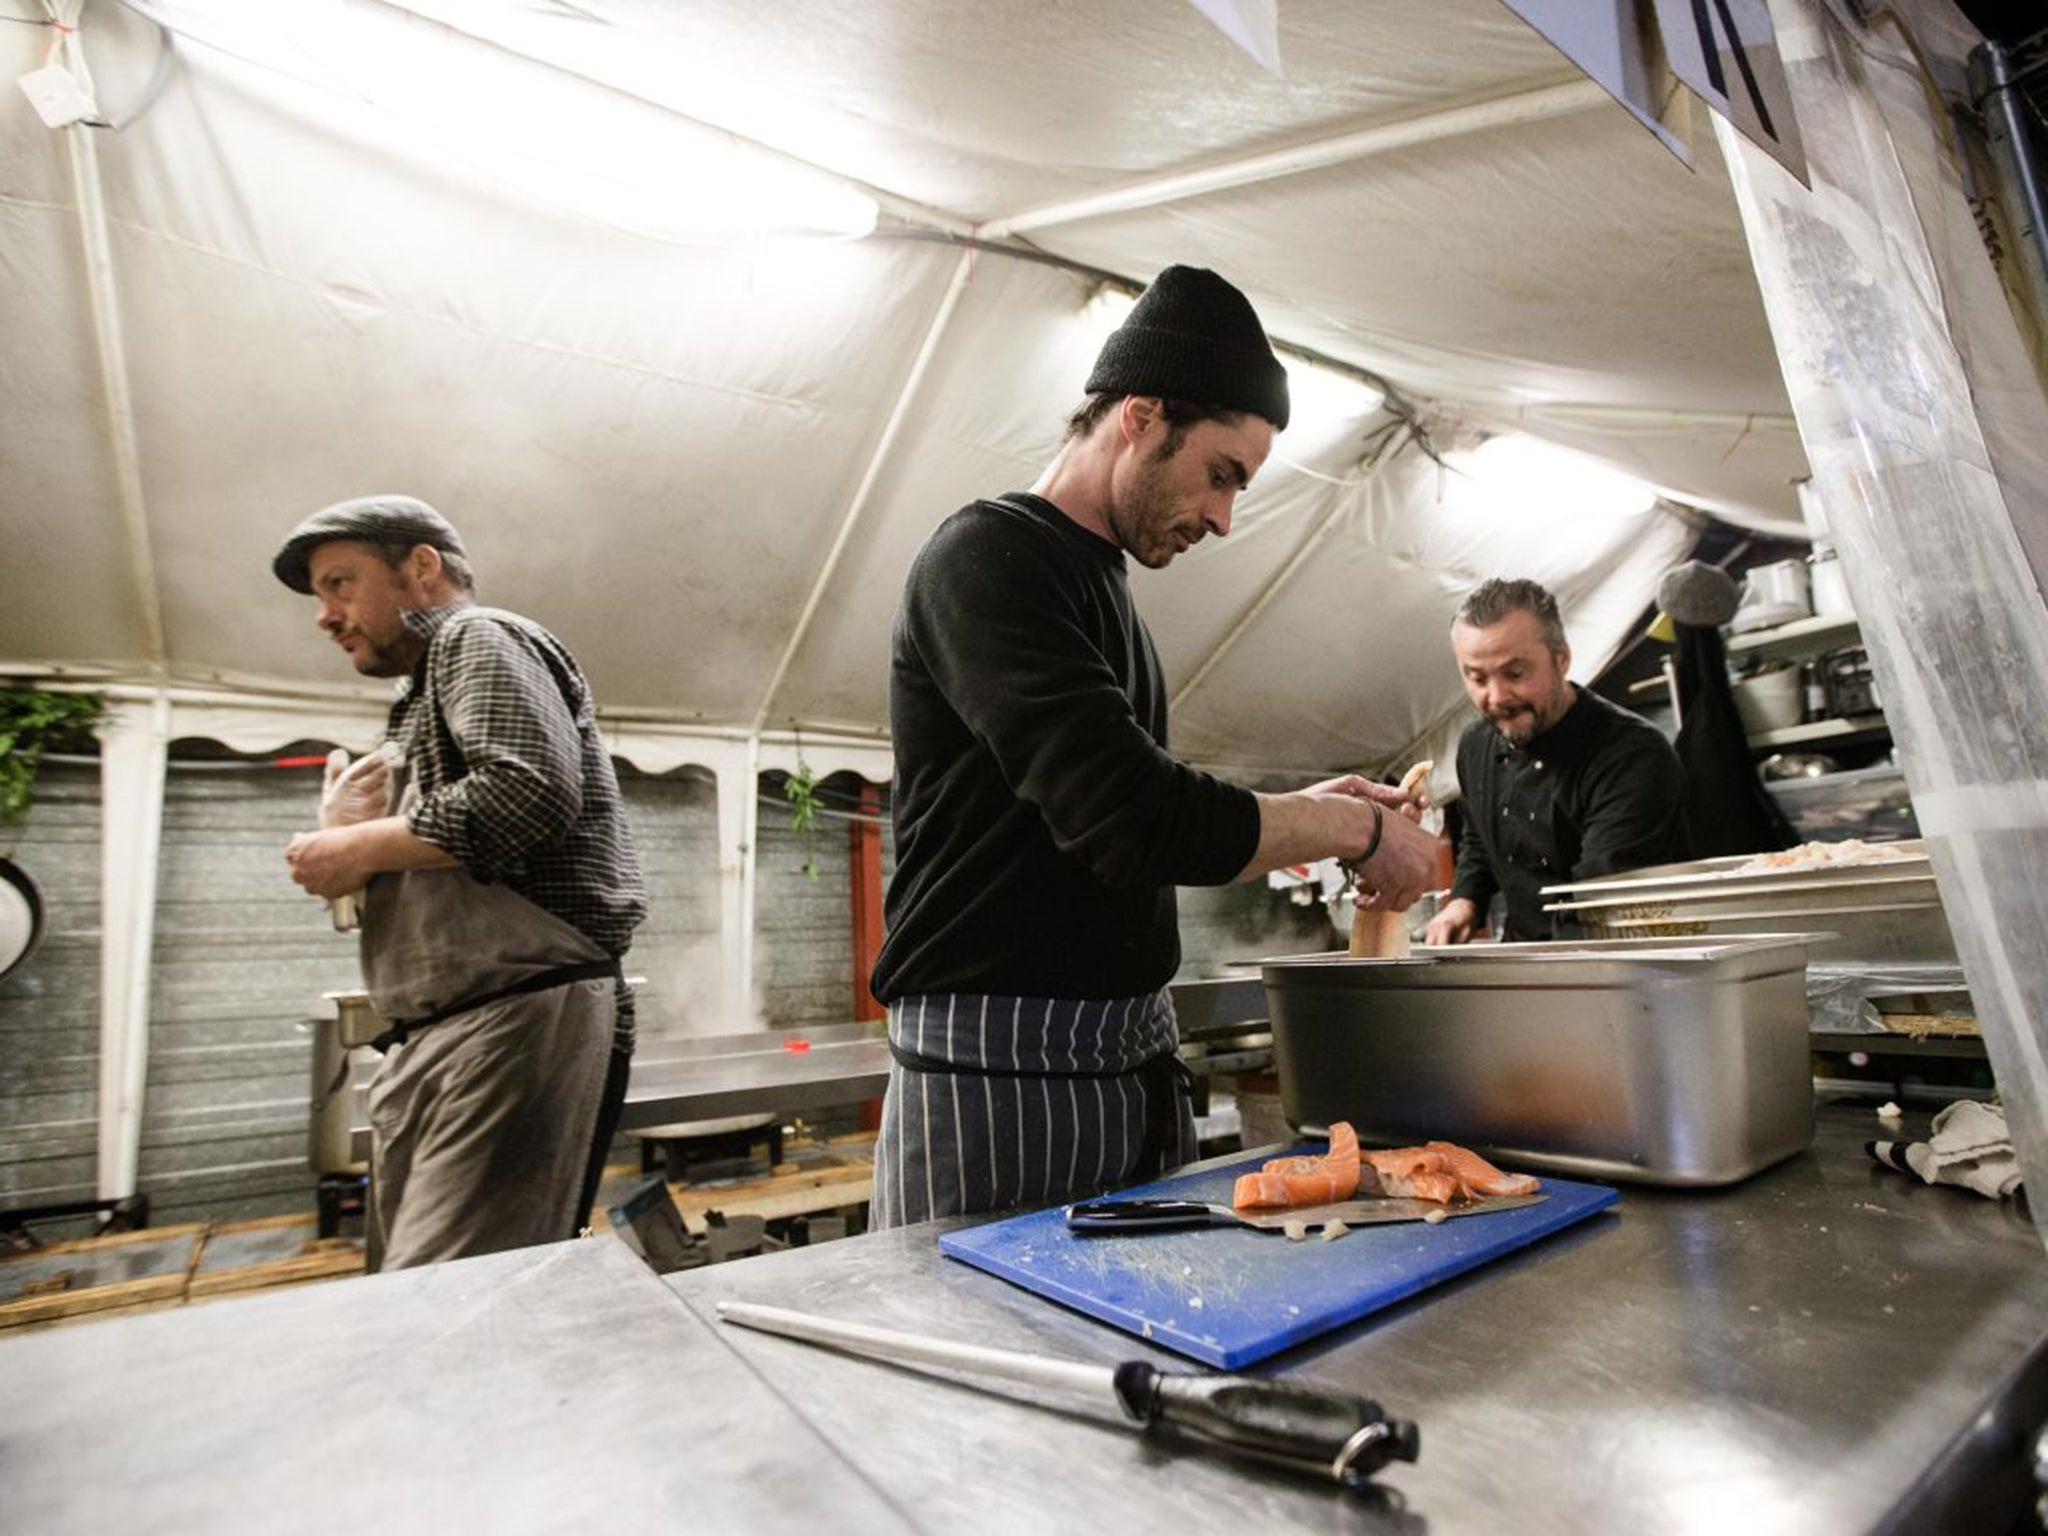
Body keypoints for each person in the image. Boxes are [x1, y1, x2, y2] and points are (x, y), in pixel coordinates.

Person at [868, 265, 1440, 1228]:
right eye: (1221, 474)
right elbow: (1129, 817)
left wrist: (1312, 807)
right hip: (999, 1072)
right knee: (991, 1356)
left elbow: (1136, 799)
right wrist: (1348, 830)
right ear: (1140, 416)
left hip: (1117, 1061)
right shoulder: (987, 563)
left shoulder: (1101, 588)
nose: (1223, 517)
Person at [274, 496, 646, 1269]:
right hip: (444, 1035)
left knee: (454, 1301)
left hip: (510, 1019)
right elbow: (428, 861)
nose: (325, 615)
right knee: (417, 1289)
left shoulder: (478, 637)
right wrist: (350, 841)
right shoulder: (416, 701)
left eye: (340, 584)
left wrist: (359, 847)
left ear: (420, 568)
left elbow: (528, 791)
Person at [1424, 577, 1687, 946]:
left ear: (1561, 659)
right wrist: (1465, 899)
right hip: (1531, 959)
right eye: (1477, 677)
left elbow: (1601, 901)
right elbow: (1480, 838)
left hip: (1623, 963)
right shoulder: (1475, 744)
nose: (1496, 697)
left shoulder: (1634, 755)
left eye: (1515, 674)